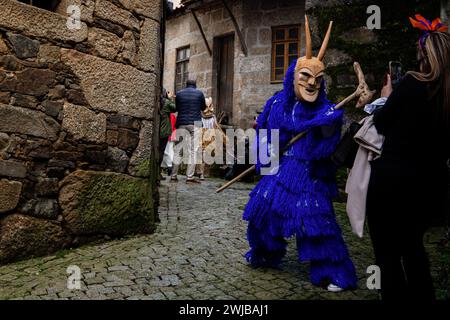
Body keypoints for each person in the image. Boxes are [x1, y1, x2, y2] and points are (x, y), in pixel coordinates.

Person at [242, 17, 357, 292]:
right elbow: (268, 136)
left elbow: (326, 144)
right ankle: (266, 253)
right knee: (262, 208)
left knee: (314, 220)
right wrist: (265, 159)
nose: (311, 83)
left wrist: (327, 123)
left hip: (308, 173)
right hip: (282, 169)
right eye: (305, 76)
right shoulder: (278, 103)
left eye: (318, 79)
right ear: (293, 76)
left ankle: (333, 272)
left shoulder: (325, 109)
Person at [366, 15, 449, 300]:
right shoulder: (446, 95)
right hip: (430, 187)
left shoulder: (411, 83)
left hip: (392, 184)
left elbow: (382, 123)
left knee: (388, 255)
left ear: (423, 54)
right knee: (414, 250)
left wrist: (387, 97)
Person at [171, 79, 206, 183]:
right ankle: (189, 176)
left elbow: (177, 108)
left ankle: (173, 175)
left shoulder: (179, 94)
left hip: (181, 122)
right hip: (196, 123)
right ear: (195, 85)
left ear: (186, 85)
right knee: (193, 151)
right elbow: (203, 108)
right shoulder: (199, 94)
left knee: (178, 150)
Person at [159, 89, 176, 181]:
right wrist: (171, 98)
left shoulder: (161, 103)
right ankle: (159, 173)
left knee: (162, 151)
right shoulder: (166, 103)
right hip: (164, 131)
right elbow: (175, 108)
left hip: (160, 130)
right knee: (162, 152)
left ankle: (158, 172)